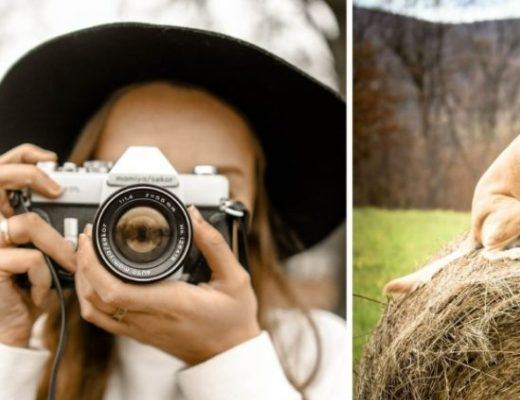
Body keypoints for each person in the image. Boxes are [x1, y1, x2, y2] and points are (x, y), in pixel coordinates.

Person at [0, 23, 346, 400]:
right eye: (132, 187)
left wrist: (230, 353)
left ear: (250, 216)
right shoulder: (25, 341)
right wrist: (7, 342)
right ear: (66, 201)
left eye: (207, 184)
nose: (160, 217)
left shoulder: (321, 349)